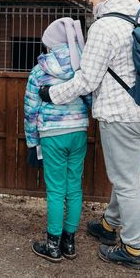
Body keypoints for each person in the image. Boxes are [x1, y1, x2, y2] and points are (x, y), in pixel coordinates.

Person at [39, 0, 140, 270]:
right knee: (130, 175)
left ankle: (132, 248)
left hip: (122, 115)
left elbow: (87, 80)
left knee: (125, 181)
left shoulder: (104, 27)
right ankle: (110, 223)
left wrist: (52, 94)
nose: (90, 0)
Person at [24, 18, 90, 263]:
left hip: (52, 133)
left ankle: (52, 245)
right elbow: (90, 99)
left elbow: (30, 110)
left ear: (50, 44)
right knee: (74, 187)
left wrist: (32, 142)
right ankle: (69, 243)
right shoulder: (82, 67)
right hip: (78, 131)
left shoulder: (39, 71)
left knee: (55, 190)